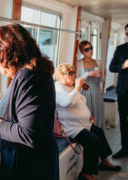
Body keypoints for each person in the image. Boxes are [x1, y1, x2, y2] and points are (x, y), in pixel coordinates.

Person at [0, 23, 58, 179]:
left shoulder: (29, 77)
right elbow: (24, 109)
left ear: (7, 51)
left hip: (29, 168)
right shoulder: (35, 72)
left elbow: (29, 134)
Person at [54, 64, 121, 180]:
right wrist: (77, 88)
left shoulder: (70, 87)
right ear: (60, 76)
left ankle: (104, 162)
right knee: (93, 141)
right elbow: (67, 103)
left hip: (82, 124)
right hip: (71, 128)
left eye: (73, 72)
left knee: (99, 132)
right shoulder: (57, 88)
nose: (73, 75)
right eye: (70, 73)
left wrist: (87, 116)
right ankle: (86, 173)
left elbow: (79, 102)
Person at [109, 23, 128, 159]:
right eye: (127, 33)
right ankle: (125, 148)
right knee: (124, 121)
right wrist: (123, 66)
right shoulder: (120, 49)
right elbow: (111, 67)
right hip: (124, 91)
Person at [76, 41, 105, 130]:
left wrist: (101, 76)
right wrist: (88, 74)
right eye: (87, 49)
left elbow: (102, 80)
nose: (90, 51)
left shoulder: (98, 62)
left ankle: (99, 138)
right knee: (86, 115)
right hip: (85, 91)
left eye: (91, 48)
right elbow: (76, 79)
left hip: (96, 91)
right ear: (82, 52)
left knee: (98, 114)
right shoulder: (78, 63)